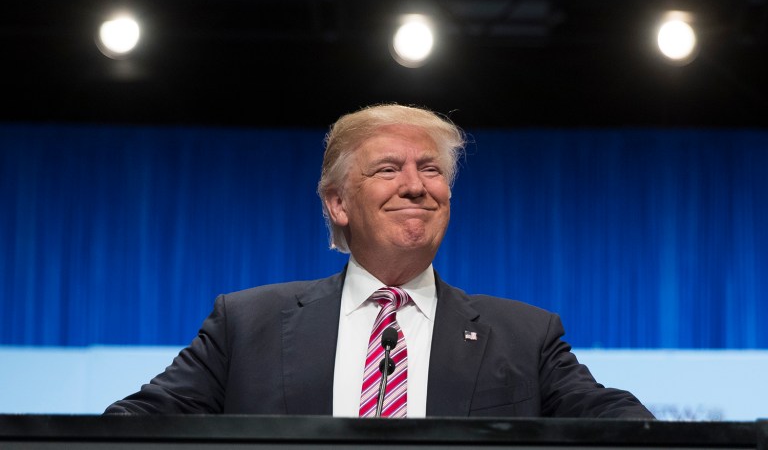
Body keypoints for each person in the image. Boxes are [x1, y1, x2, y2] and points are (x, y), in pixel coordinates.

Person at [104, 103, 655, 418]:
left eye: (431, 170)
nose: (415, 186)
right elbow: (133, 426)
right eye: (388, 169)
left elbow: (616, 423)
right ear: (338, 202)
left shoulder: (526, 335)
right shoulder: (246, 325)